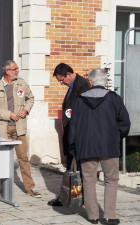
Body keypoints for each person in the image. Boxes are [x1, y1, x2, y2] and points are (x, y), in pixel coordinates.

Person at [68, 68, 130, 225]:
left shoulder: (80, 100)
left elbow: (73, 126)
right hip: (109, 146)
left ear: (90, 82)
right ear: (106, 82)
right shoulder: (114, 98)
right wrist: (116, 136)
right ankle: (109, 215)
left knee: (88, 180)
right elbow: (124, 123)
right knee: (111, 179)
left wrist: (73, 147)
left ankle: (93, 216)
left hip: (86, 146)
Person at [0, 60, 41, 198]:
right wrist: (8, 114)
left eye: (17, 69)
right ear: (7, 71)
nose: (17, 71)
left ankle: (30, 188)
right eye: (15, 69)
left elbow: (31, 98)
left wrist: (26, 110)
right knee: (3, 159)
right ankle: (3, 187)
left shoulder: (21, 83)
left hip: (19, 128)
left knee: (23, 158)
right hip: (3, 129)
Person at [48, 63, 89, 206]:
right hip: (70, 132)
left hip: (77, 134)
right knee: (70, 168)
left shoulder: (82, 86)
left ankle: (77, 198)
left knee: (77, 168)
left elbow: (82, 112)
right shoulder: (72, 86)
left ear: (69, 74)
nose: (61, 83)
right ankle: (68, 197)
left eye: (61, 80)